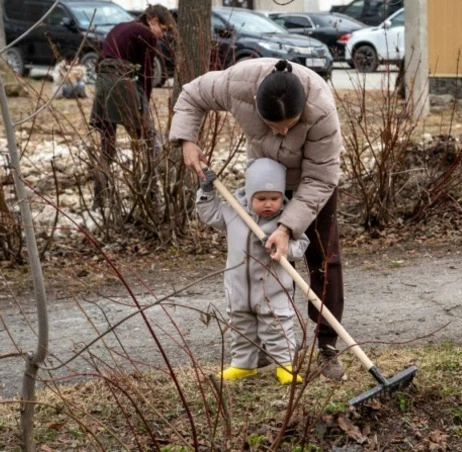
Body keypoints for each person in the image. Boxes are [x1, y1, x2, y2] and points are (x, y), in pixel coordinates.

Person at [170, 58, 347, 380]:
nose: (281, 132)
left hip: (312, 183)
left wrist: (287, 228)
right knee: (262, 263)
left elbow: (321, 178)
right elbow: (192, 94)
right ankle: (268, 350)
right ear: (254, 105)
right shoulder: (237, 84)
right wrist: (188, 140)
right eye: (271, 125)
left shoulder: (321, 107)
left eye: (290, 125)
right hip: (264, 185)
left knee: (323, 259)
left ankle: (327, 346)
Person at [196, 159, 308, 384]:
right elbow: (209, 215)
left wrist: (284, 248)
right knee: (240, 326)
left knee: (277, 326)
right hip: (238, 287)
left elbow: (301, 245)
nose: (269, 204)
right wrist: (207, 191)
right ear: (249, 195)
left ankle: (286, 366)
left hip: (272, 290)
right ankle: (243, 365)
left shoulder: (284, 222)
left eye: (274, 198)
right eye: (261, 199)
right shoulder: (233, 211)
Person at [89, 5, 175, 209]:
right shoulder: (146, 34)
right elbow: (146, 74)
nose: (161, 35)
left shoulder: (120, 27)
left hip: (103, 84)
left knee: (107, 150)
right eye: (162, 29)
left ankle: (99, 201)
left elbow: (101, 59)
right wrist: (143, 105)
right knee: (148, 142)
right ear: (152, 19)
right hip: (123, 83)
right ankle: (152, 197)